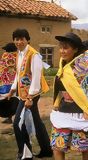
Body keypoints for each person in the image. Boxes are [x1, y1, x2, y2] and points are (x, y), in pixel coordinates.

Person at [50, 32, 88, 160]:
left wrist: (87, 110)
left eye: (66, 48)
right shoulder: (62, 65)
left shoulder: (80, 67)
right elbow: (60, 87)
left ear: (75, 49)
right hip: (63, 111)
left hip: (79, 112)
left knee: (83, 147)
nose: (62, 51)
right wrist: (56, 104)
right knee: (57, 146)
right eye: (61, 47)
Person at [6, 28, 52, 160]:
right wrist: (12, 89)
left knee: (18, 124)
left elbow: (36, 77)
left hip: (31, 94)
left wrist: (30, 97)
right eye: (16, 39)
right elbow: (19, 74)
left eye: (22, 39)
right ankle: (46, 150)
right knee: (36, 122)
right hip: (23, 93)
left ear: (28, 40)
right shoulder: (19, 53)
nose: (19, 42)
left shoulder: (34, 55)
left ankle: (25, 153)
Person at [0, 43, 18, 124]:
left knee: (5, 100)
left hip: (5, 84)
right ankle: (16, 118)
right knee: (16, 100)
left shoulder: (5, 57)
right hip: (16, 83)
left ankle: (9, 117)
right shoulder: (18, 56)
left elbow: (1, 70)